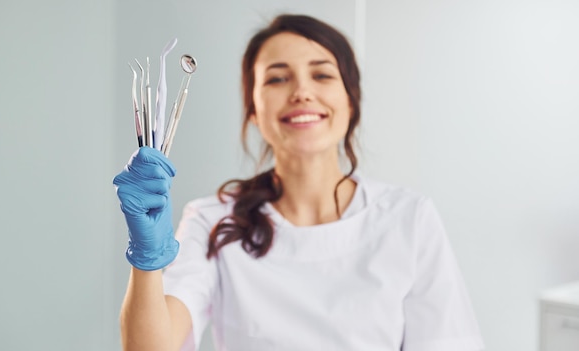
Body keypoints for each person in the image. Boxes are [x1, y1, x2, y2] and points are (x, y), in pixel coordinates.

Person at [113, 14, 485, 351]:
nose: (301, 92)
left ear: (351, 99)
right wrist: (147, 262)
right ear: (254, 110)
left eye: (322, 74)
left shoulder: (409, 218)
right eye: (277, 78)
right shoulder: (212, 220)